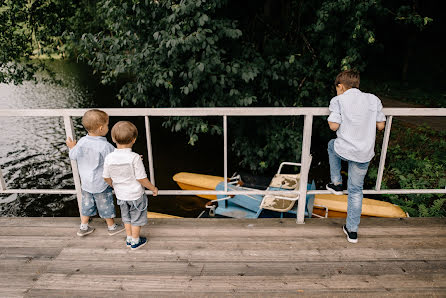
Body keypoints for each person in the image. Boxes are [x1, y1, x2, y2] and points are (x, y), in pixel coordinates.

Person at [326, 69, 386, 243]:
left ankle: (336, 183)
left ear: (340, 86)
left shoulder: (338, 100)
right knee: (355, 191)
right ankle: (352, 231)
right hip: (364, 153)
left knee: (331, 145)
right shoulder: (373, 99)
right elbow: (381, 126)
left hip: (344, 149)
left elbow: (333, 126)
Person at [66, 109, 125, 237]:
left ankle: (83, 227)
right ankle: (111, 226)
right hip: (101, 184)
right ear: (101, 128)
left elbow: (73, 155)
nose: (108, 127)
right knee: (105, 205)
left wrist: (72, 147)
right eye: (107, 125)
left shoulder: (81, 142)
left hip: (86, 183)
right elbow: (115, 159)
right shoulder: (106, 146)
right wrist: (128, 157)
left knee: (86, 204)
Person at [103, 121, 158, 250]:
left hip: (121, 195)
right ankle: (136, 240)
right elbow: (141, 179)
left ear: (113, 139)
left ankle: (128, 238)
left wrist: (114, 185)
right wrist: (153, 188)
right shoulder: (134, 158)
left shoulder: (109, 157)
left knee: (126, 217)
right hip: (135, 195)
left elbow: (106, 177)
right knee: (136, 218)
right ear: (133, 140)